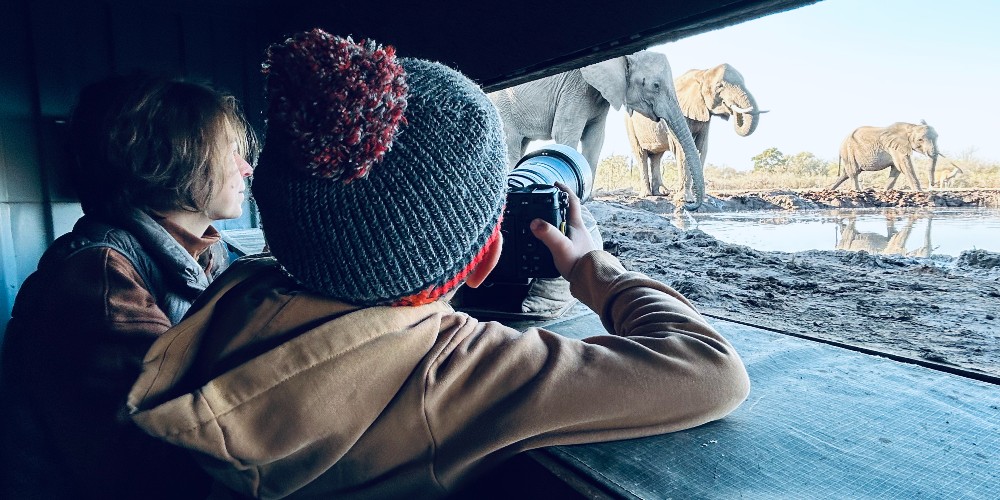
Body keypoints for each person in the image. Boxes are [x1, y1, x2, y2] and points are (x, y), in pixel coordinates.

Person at [126, 29, 750, 499]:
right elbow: (712, 372)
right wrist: (594, 270)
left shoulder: (234, 293)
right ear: (484, 258)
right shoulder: (451, 375)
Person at [0, 73, 257, 499]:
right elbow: (161, 450)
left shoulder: (208, 254)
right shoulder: (97, 277)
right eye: (230, 152)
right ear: (171, 158)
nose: (246, 167)